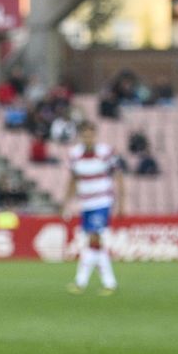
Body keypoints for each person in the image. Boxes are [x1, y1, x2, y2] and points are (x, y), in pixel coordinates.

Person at [62, 119, 124, 295]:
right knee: (94, 243)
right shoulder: (74, 154)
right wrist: (66, 202)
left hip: (102, 201)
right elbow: (73, 180)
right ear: (80, 136)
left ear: (95, 135)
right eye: (84, 134)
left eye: (91, 134)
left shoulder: (106, 152)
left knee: (94, 239)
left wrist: (121, 201)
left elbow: (119, 176)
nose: (88, 138)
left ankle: (84, 282)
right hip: (86, 203)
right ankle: (106, 283)